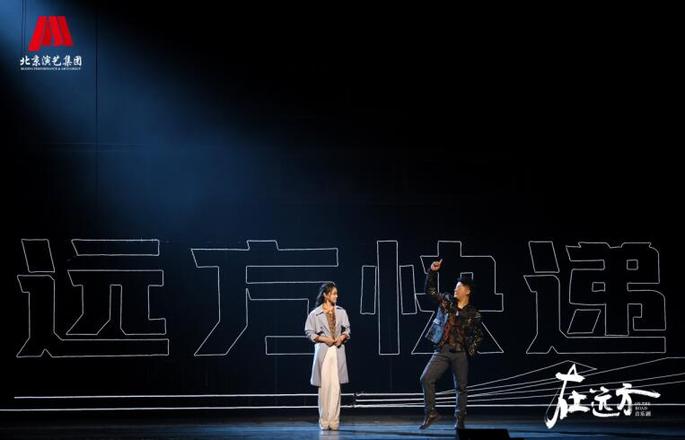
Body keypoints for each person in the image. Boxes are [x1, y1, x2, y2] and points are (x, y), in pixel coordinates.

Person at [419, 259, 483, 430]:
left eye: (459, 287)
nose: (455, 289)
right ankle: (431, 412)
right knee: (426, 378)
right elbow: (430, 291)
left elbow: (479, 335)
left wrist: (470, 350)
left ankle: (460, 419)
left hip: (460, 352)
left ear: (467, 291)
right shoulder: (447, 301)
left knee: (461, 387)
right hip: (443, 349)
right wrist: (432, 272)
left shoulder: (474, 314)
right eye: (455, 287)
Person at [304, 282, 351, 431]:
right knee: (324, 388)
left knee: (336, 388)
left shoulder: (341, 312)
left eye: (336, 293)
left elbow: (347, 329)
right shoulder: (315, 313)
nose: (336, 296)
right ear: (326, 295)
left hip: (337, 351)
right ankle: (324, 420)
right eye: (334, 293)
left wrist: (342, 337)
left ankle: (334, 420)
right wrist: (324, 339)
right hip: (324, 351)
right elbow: (309, 332)